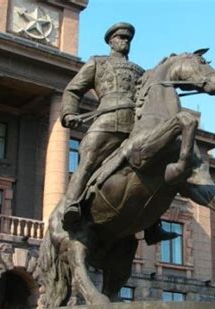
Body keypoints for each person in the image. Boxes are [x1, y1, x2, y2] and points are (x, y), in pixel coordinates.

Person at [60, 22, 177, 245]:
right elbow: (73, 90)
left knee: (153, 170)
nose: (125, 42)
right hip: (107, 122)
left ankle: (154, 226)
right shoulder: (98, 63)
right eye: (120, 38)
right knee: (88, 161)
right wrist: (69, 114)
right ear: (111, 41)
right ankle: (71, 205)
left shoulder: (139, 71)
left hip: (135, 126)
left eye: (128, 39)